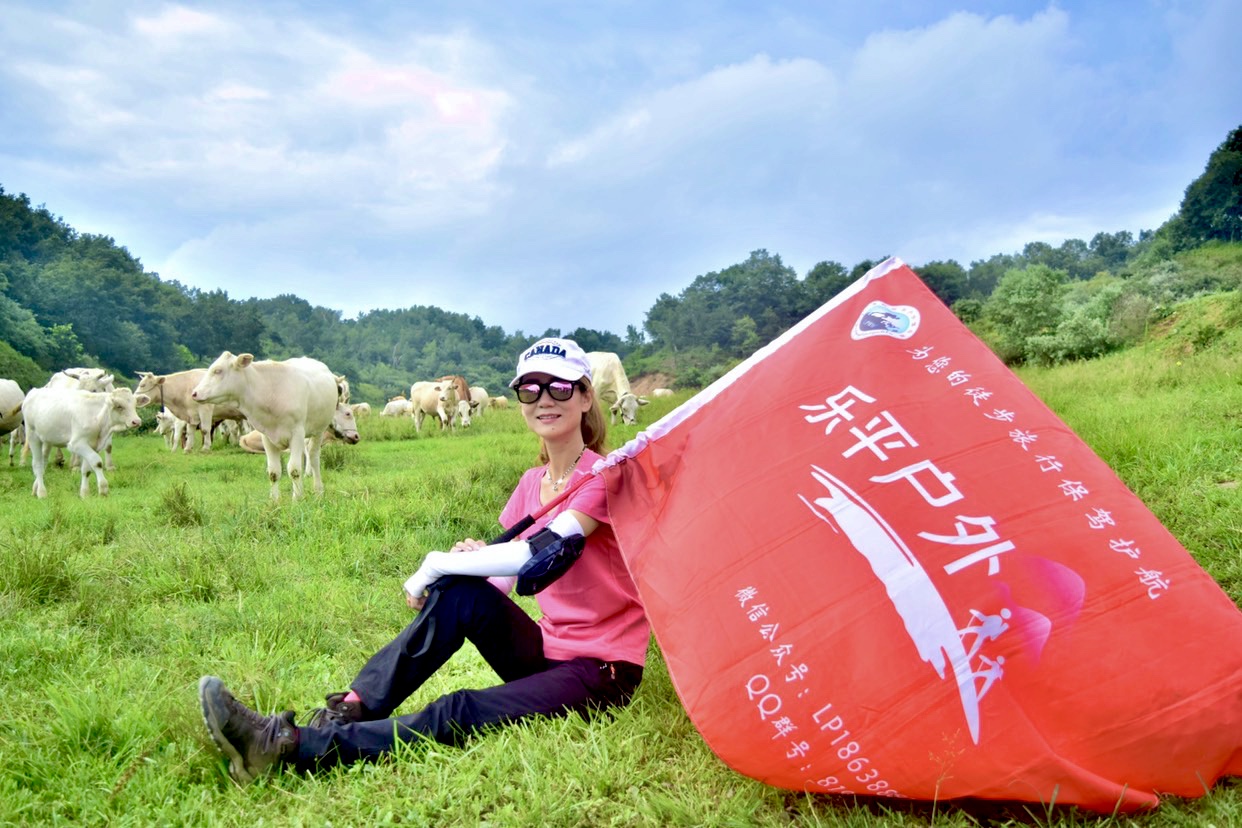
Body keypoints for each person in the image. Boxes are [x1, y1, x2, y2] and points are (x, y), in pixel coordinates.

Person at [199, 337, 650, 784]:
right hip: (545, 653)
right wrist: (453, 582)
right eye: (530, 389)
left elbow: (539, 552)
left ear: (586, 397)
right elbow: (501, 580)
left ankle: (289, 747)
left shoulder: (603, 476)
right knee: (460, 591)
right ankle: (349, 709)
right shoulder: (532, 482)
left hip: (600, 673)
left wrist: (437, 564)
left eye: (560, 387)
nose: (544, 399)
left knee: (460, 708)